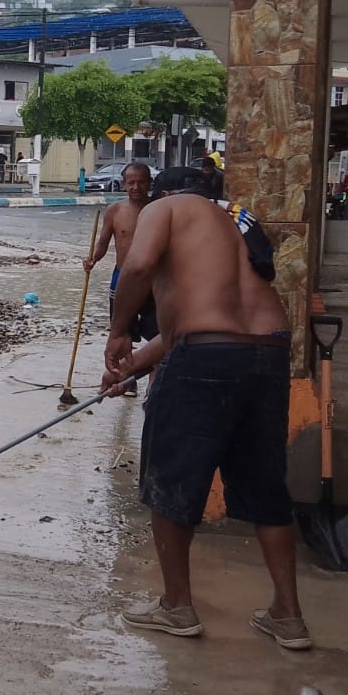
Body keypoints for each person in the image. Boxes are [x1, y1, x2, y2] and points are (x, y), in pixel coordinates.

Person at [102, 170, 309, 651]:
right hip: (268, 355)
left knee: (169, 479)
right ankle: (288, 615)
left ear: (167, 191)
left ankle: (176, 606)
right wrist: (130, 367)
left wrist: (118, 331)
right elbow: (190, 332)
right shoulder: (237, 222)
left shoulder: (167, 209)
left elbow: (135, 267)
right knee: (265, 484)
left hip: (205, 356)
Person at [84, 161, 155, 394]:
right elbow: (103, 242)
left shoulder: (158, 210)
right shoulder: (115, 211)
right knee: (122, 330)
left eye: (141, 182)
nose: (135, 187)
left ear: (149, 184)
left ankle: (154, 387)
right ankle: (126, 378)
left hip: (153, 279)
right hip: (122, 277)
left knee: (156, 334)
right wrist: (93, 258)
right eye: (131, 182)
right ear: (124, 185)